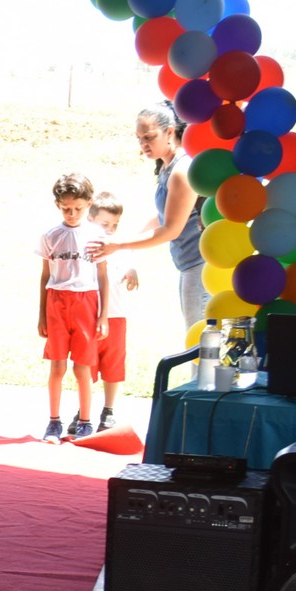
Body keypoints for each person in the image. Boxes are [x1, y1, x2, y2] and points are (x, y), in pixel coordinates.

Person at [86, 102, 206, 328]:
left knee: (199, 344)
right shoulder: (166, 166)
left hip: (200, 265)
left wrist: (119, 244)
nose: (143, 145)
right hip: (189, 265)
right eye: (139, 138)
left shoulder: (181, 170)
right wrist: (128, 240)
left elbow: (171, 229)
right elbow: (163, 216)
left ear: (170, 131)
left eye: (149, 137)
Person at [37, 174, 109, 442]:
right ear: (57, 204)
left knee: (83, 368)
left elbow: (103, 276)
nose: (72, 213)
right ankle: (53, 421)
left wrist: (103, 315)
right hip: (57, 300)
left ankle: (85, 421)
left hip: (86, 301)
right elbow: (45, 276)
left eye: (78, 208)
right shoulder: (50, 235)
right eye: (66, 208)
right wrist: (42, 314)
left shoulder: (96, 235)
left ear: (89, 203)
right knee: (57, 366)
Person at [88, 191, 139, 429]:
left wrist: (132, 272)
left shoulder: (120, 246)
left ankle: (108, 409)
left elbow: (129, 263)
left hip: (116, 315)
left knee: (113, 363)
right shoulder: (86, 246)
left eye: (115, 224)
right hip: (88, 314)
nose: (110, 229)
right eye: (105, 223)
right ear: (91, 220)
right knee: (86, 363)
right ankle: (83, 408)